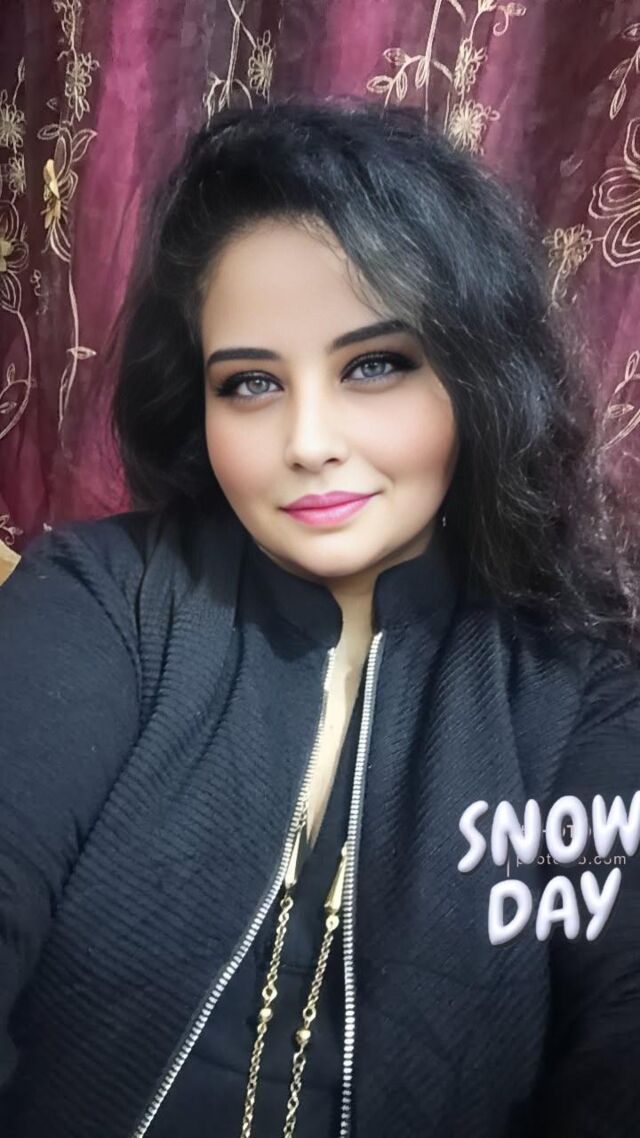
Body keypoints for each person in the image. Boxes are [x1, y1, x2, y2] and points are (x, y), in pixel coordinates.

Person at [1, 97, 640, 1138]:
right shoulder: (100, 598)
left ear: (473, 374)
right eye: (250, 382)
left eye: (374, 364)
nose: (307, 440)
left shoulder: (577, 696)